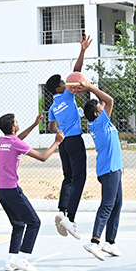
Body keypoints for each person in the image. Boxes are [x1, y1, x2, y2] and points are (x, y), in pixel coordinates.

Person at [0, 113, 63, 271]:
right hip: (12, 190)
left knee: (18, 225)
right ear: (13, 127)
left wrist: (34, 124)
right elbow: (43, 157)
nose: (18, 122)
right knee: (34, 222)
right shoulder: (15, 143)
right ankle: (22, 259)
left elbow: (18, 138)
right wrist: (57, 142)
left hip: (1, 191)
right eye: (16, 121)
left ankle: (11, 260)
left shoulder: (2, 140)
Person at [45, 35, 92, 239]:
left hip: (63, 143)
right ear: (59, 88)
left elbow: (51, 127)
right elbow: (77, 72)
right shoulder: (67, 95)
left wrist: (59, 132)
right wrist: (82, 51)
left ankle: (62, 209)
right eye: (64, 83)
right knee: (79, 178)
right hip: (74, 140)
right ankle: (70, 218)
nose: (67, 84)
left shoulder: (52, 107)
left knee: (68, 177)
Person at [81, 82, 124, 261]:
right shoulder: (99, 123)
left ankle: (110, 242)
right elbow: (109, 100)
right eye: (100, 108)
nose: (103, 106)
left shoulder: (100, 122)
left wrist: (94, 92)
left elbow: (104, 101)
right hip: (109, 169)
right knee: (107, 204)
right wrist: (90, 87)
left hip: (114, 168)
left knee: (117, 204)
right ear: (97, 114)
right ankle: (94, 241)